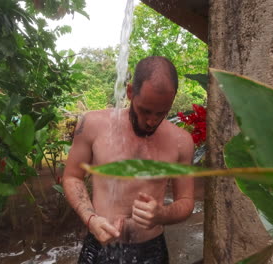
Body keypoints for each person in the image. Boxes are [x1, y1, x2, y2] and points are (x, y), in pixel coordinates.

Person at [62, 56, 195, 264]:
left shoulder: (181, 141)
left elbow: (186, 202)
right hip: (99, 245)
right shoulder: (93, 124)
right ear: (131, 92)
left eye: (162, 112)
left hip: (152, 251)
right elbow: (72, 177)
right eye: (145, 110)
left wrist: (162, 214)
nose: (152, 120)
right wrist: (90, 219)